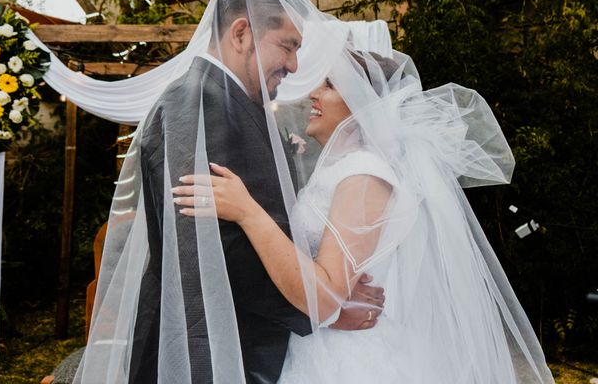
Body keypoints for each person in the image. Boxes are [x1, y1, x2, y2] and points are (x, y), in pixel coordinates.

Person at [174, 42, 556, 383]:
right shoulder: (346, 169)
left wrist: (247, 212)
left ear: (363, 105)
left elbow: (324, 296)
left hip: (345, 360)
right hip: (322, 345)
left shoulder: (364, 176)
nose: (313, 94)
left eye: (329, 86)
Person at [75, 0, 384, 384]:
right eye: (288, 46)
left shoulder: (231, 99)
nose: (294, 65)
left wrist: (325, 288)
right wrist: (322, 306)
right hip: (214, 353)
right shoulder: (201, 104)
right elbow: (212, 247)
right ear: (241, 33)